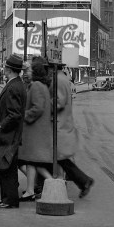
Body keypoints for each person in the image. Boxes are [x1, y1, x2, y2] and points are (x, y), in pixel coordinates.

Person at [52, 62, 94, 199]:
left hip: (60, 124)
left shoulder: (58, 80)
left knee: (60, 158)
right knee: (62, 159)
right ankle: (82, 180)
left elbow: (59, 102)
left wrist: (46, 103)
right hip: (64, 124)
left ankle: (81, 181)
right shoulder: (64, 78)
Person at [0, 54, 27, 209]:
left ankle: (10, 200)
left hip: (8, 135)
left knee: (8, 168)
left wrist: (1, 126)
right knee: (7, 167)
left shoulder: (13, 87)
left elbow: (14, 114)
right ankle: (6, 197)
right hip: (11, 135)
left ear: (10, 69)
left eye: (6, 67)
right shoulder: (17, 84)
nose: (4, 69)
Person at [18, 57, 53, 201]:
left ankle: (53, 185)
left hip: (35, 131)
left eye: (30, 69)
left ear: (36, 72)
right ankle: (31, 190)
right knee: (31, 162)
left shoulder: (37, 86)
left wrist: (24, 116)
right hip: (37, 130)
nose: (28, 72)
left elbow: (37, 108)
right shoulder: (41, 85)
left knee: (32, 161)